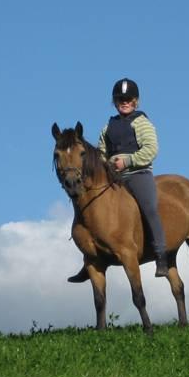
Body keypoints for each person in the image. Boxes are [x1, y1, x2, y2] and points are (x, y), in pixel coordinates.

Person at [68, 77, 169, 282]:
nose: (125, 102)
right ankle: (89, 259)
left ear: (136, 101)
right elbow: (101, 153)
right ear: (115, 101)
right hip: (113, 177)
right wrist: (105, 165)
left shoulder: (142, 123)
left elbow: (151, 150)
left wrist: (128, 161)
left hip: (138, 174)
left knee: (149, 207)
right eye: (120, 99)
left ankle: (161, 255)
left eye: (128, 99)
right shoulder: (108, 126)